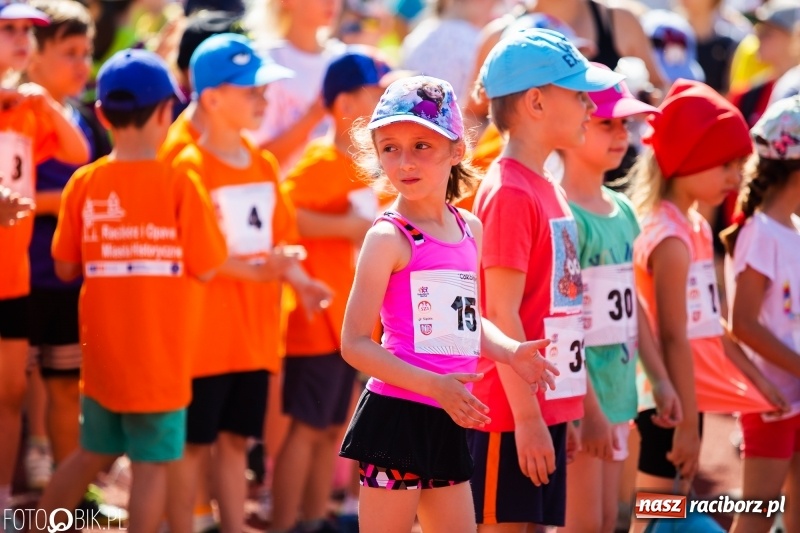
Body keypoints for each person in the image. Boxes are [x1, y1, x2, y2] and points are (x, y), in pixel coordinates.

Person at [338, 74, 558, 533]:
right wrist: (434, 386)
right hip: (396, 419)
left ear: (457, 150)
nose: (405, 161)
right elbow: (355, 344)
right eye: (390, 147)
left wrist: (510, 352)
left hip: (448, 414)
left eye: (422, 145)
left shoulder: (469, 228)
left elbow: (463, 320)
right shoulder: (387, 237)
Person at [36, 48, 228, 533]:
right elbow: (208, 267)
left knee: (89, 454)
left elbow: (63, 265)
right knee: (150, 467)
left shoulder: (83, 182)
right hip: (160, 361)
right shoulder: (181, 183)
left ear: (101, 114)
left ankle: (35, 526)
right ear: (168, 112)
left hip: (101, 357)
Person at [164, 33, 332, 533]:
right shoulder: (187, 164)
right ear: (212, 98)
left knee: (237, 439)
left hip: (254, 335)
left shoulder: (263, 163)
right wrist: (258, 270)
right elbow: (196, 253)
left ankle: (233, 525)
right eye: (250, 90)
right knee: (193, 443)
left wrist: (302, 282)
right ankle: (186, 523)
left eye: (263, 89)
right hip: (201, 336)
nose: (263, 99)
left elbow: (280, 240)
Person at [467, 28, 623, 531]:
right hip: (508, 414)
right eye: (577, 95)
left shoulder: (546, 187)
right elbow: (500, 313)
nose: (587, 105)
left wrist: (564, 410)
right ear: (536, 102)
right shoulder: (511, 191)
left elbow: (557, 309)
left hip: (540, 410)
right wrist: (530, 418)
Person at [628, 79, 788, 532]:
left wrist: (759, 385)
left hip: (683, 395)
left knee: (668, 508)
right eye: (727, 166)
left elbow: (707, 326)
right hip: (667, 402)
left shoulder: (694, 227)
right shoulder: (671, 238)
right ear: (689, 158)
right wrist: (686, 426)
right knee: (654, 510)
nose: (736, 179)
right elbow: (672, 336)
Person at [269, 51, 391, 533]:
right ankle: (284, 523)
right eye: (373, 95)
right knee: (305, 428)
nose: (381, 103)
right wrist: (347, 225)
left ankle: (315, 518)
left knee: (327, 430)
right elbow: (287, 214)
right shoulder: (321, 159)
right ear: (344, 104)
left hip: (346, 322)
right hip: (315, 319)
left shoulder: (361, 164)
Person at [559, 70, 682, 533]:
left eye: (624, 125)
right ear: (574, 124)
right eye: (607, 123)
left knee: (610, 519)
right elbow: (562, 322)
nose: (621, 134)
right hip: (580, 403)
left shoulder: (624, 209)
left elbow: (633, 309)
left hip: (620, 396)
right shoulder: (564, 214)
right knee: (583, 524)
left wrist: (660, 380)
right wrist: (586, 409)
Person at [0, 0, 89, 516]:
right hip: (22, 272)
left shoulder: (28, 106)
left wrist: (42, 102)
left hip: (14, 276)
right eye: (7, 29)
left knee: (10, 396)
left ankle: (6, 505)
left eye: (25, 31)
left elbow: (77, 153)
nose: (19, 39)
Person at [24, 0, 110, 489]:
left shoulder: (82, 120)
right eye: (69, 52)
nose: (82, 64)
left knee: (63, 388)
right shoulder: (14, 113)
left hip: (64, 279)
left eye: (87, 52)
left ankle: (67, 494)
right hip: (16, 276)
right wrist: (57, 201)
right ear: (33, 56)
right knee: (12, 391)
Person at [723, 95, 800, 533]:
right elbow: (744, 324)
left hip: (796, 395)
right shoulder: (759, 232)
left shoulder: (792, 228)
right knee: (755, 518)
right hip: (771, 402)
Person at [463, 0, 665, 132]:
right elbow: (474, 115)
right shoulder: (499, 36)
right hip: (538, 172)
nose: (589, 105)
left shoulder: (620, 21)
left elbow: (661, 88)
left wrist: (641, 98)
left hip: (615, 169)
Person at [245, 0, 346, 170]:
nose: (333, 2)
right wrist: (313, 116)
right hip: (285, 193)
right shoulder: (264, 63)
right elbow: (257, 162)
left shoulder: (344, 57)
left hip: (343, 191)